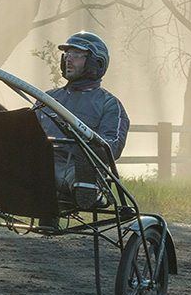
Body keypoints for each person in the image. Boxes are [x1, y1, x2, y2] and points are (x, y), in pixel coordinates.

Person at [35, 31, 129, 206]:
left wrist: (85, 147)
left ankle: (88, 189)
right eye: (67, 54)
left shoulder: (109, 104)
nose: (68, 59)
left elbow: (112, 147)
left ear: (95, 62)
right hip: (42, 163)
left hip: (79, 168)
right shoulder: (47, 99)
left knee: (81, 166)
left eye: (77, 55)